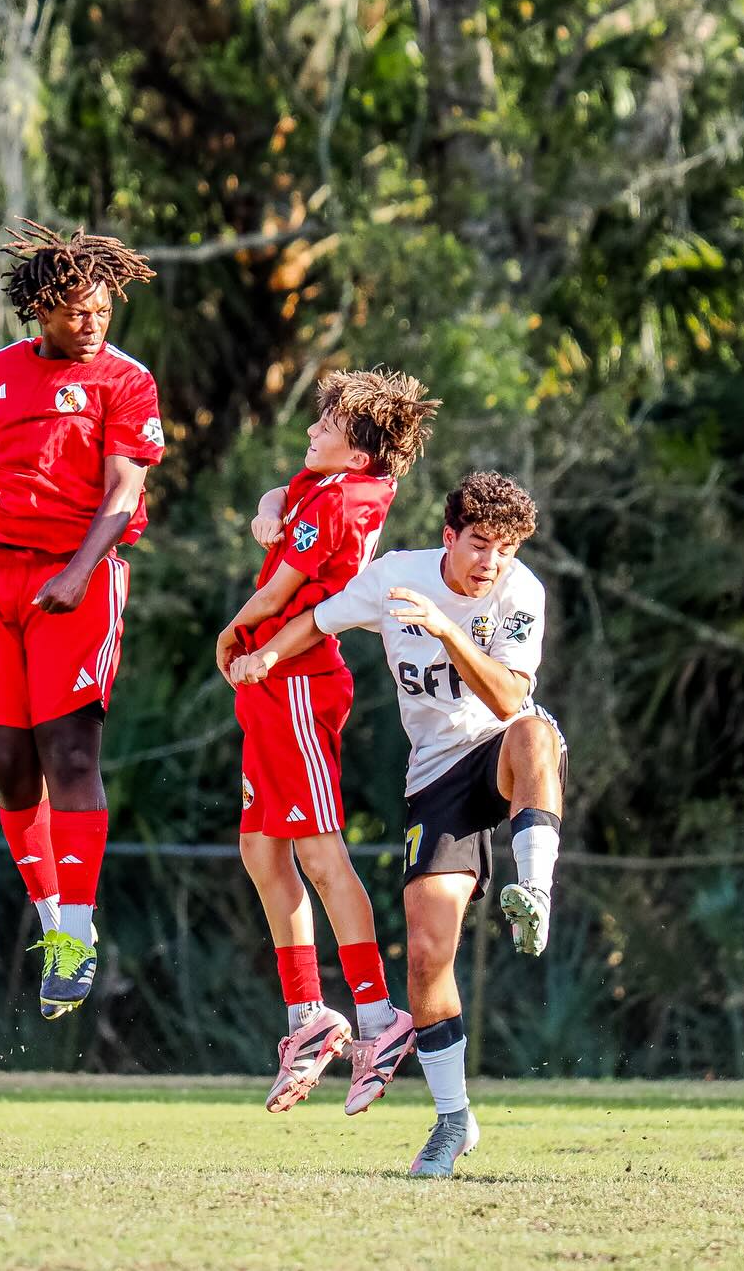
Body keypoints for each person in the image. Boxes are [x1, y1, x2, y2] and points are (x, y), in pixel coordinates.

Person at [230, 470, 565, 1175]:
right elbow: (318, 619)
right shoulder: (395, 578)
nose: (491, 562)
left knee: (536, 733)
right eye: (479, 545)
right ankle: (453, 1122)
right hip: (436, 779)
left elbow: (509, 699)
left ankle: (535, 889)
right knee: (424, 954)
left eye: (504, 549)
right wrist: (262, 654)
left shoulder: (521, 593)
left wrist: (446, 629)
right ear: (450, 537)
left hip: (496, 749)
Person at [0, 219, 162, 1020]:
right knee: (7, 762)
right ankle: (49, 915)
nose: (92, 321)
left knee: (69, 753)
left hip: (78, 577)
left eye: (102, 308)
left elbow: (125, 492)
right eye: (75, 310)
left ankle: (76, 931)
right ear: (40, 309)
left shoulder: (127, 381)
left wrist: (78, 571)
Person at [215, 369, 440, 1115]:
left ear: (356, 453)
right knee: (260, 847)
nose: (311, 431)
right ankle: (307, 1014)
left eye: (328, 425)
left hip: (302, 679)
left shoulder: (343, 500)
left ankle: (378, 1015)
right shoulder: (333, 484)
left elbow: (281, 590)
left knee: (318, 850)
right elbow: (282, 505)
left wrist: (239, 633)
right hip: (275, 682)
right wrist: (268, 504)